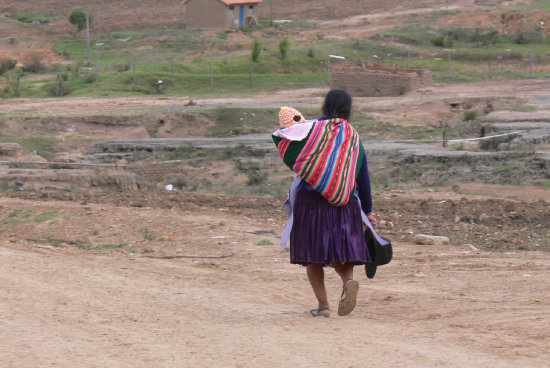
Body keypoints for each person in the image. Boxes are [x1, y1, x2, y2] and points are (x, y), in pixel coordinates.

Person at [272, 90, 377, 318]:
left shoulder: (310, 129)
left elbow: (290, 149)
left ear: (325, 107)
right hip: (345, 202)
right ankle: (348, 282)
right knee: (342, 252)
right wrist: (367, 210)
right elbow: (363, 176)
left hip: (312, 201)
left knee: (313, 256)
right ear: (349, 110)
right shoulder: (353, 137)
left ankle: (323, 306)